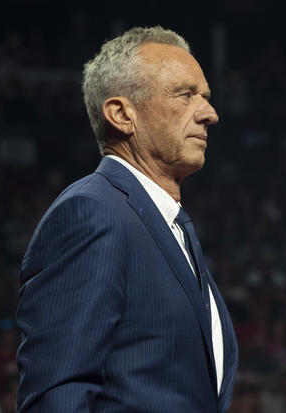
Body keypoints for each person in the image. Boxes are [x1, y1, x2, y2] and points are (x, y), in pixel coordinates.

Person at [16, 26, 239, 412]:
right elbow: (58, 395)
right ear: (122, 114)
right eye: (185, 95)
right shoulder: (93, 213)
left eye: (205, 97)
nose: (210, 114)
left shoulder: (169, 226)